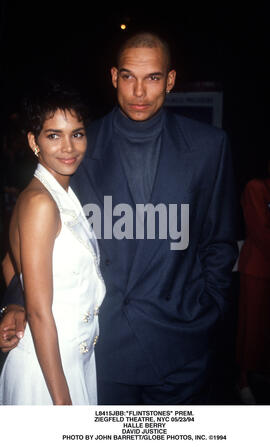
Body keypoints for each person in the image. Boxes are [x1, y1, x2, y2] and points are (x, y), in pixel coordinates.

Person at [0, 32, 237, 405]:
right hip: (101, 347)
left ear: (171, 80)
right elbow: (35, 234)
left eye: (153, 78)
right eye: (128, 76)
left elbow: (219, 242)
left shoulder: (209, 147)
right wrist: (16, 301)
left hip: (182, 344)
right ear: (113, 77)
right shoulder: (77, 146)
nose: (139, 91)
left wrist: (210, 312)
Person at [0, 84, 105, 405]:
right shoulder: (41, 202)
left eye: (77, 134)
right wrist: (62, 402)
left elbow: (9, 261)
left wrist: (13, 304)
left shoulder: (60, 193)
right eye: (53, 135)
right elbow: (40, 311)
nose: (69, 147)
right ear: (34, 142)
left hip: (73, 361)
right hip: (48, 373)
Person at [236, 160, 270, 404]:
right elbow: (261, 232)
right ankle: (242, 380)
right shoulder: (256, 188)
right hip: (257, 270)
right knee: (249, 330)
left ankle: (258, 372)